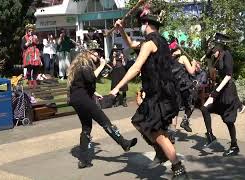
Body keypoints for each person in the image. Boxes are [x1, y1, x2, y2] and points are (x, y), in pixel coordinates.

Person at [110, 8, 189, 179]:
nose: (141, 28)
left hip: (161, 94)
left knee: (157, 132)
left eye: (142, 25)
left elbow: (136, 67)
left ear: (146, 25)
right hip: (160, 93)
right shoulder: (159, 41)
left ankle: (178, 169)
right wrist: (121, 30)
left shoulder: (149, 43)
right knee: (139, 122)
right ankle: (160, 152)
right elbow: (131, 45)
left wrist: (118, 86)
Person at [67, 43, 137, 169]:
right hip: (83, 99)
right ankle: (123, 142)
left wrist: (94, 92)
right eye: (96, 52)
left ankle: (83, 160)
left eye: (100, 53)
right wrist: (103, 65)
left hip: (78, 98)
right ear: (89, 52)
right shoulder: (84, 63)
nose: (99, 55)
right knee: (104, 121)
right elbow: (90, 78)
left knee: (86, 127)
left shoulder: (81, 64)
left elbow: (80, 83)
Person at [200, 33, 241, 156]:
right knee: (205, 108)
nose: (214, 46)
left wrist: (215, 92)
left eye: (216, 44)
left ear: (221, 45)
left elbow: (228, 76)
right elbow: (210, 66)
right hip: (219, 90)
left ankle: (234, 146)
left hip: (227, 90)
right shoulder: (218, 55)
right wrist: (208, 57)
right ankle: (211, 135)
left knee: (228, 120)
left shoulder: (227, 55)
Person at [168, 37, 197, 134]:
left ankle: (172, 132)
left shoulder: (168, 59)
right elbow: (192, 72)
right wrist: (194, 64)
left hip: (173, 87)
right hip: (185, 87)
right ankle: (185, 121)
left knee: (175, 110)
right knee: (191, 105)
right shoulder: (183, 58)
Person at [21, 24, 42, 89]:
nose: (31, 32)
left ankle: (34, 81)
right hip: (28, 54)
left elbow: (39, 45)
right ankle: (30, 81)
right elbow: (22, 47)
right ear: (27, 31)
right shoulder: (24, 37)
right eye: (29, 30)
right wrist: (28, 42)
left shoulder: (35, 36)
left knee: (36, 68)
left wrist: (37, 40)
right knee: (29, 68)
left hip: (35, 53)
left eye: (32, 30)